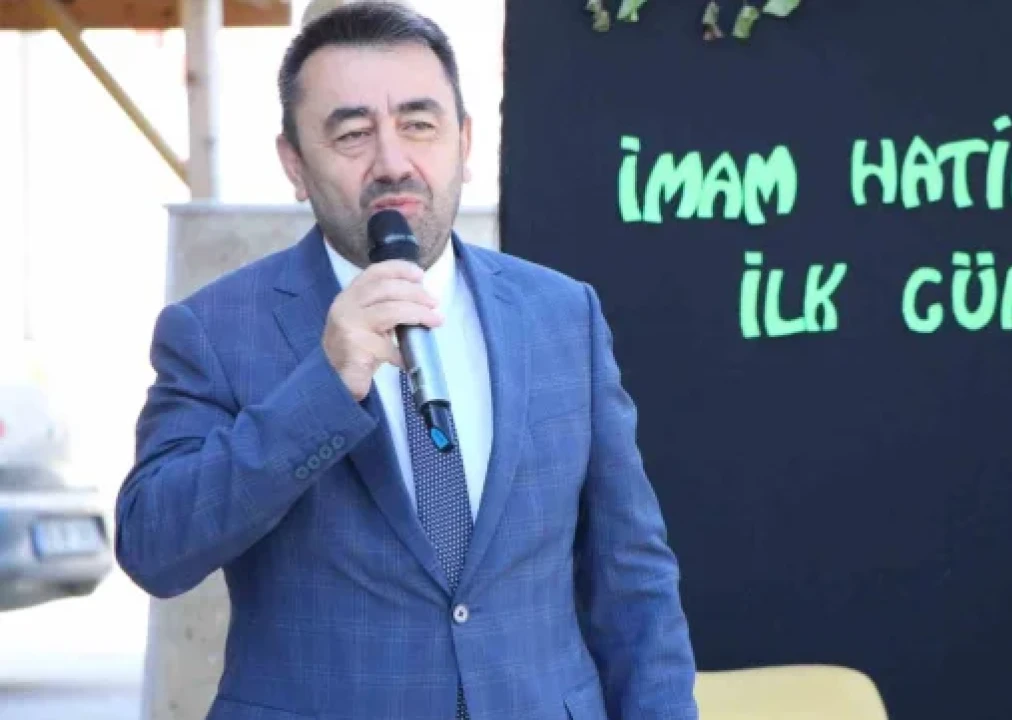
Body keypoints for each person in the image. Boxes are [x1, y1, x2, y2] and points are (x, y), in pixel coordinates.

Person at [113, 3, 699, 719]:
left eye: (419, 124)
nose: (392, 162)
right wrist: (323, 388)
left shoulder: (561, 315)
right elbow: (155, 548)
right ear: (295, 164)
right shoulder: (215, 329)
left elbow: (633, 580)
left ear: (464, 141)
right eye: (352, 134)